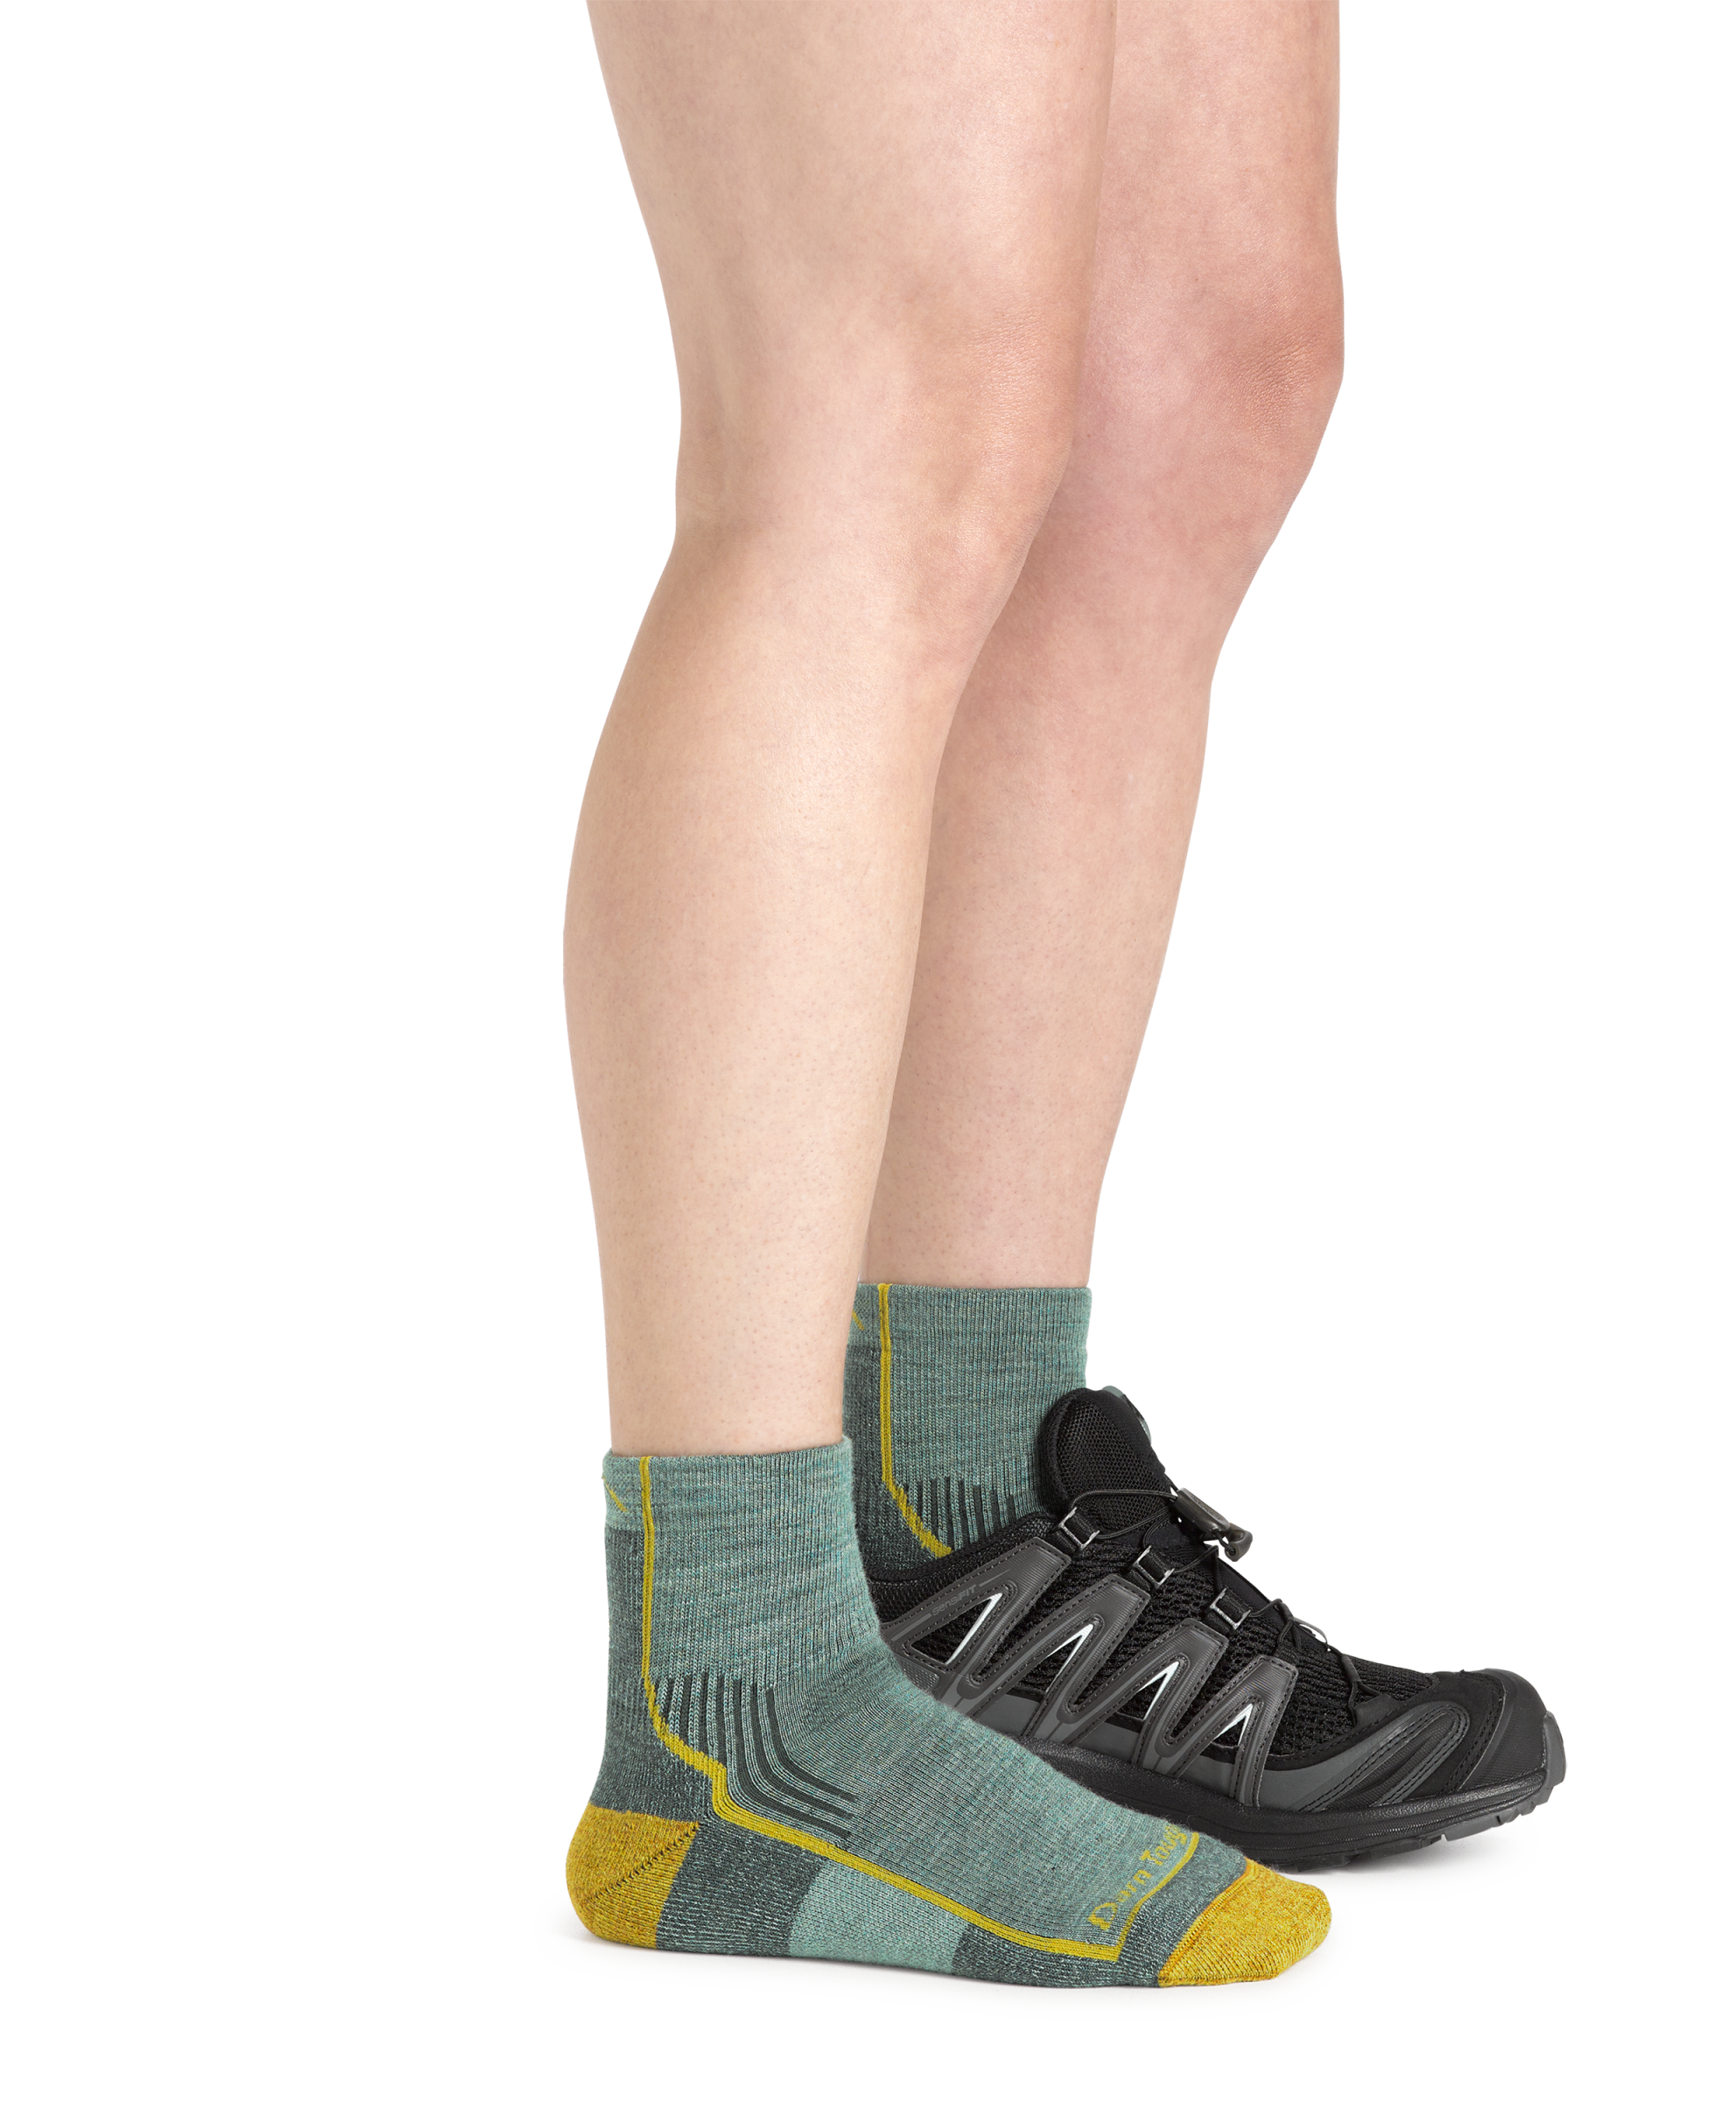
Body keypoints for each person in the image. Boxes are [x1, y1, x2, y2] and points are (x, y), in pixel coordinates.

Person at [561, 0, 1561, 1995]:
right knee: (880, 399)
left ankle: (963, 1545)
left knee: (1183, 382)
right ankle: (729, 1704)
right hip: (713, 1724)